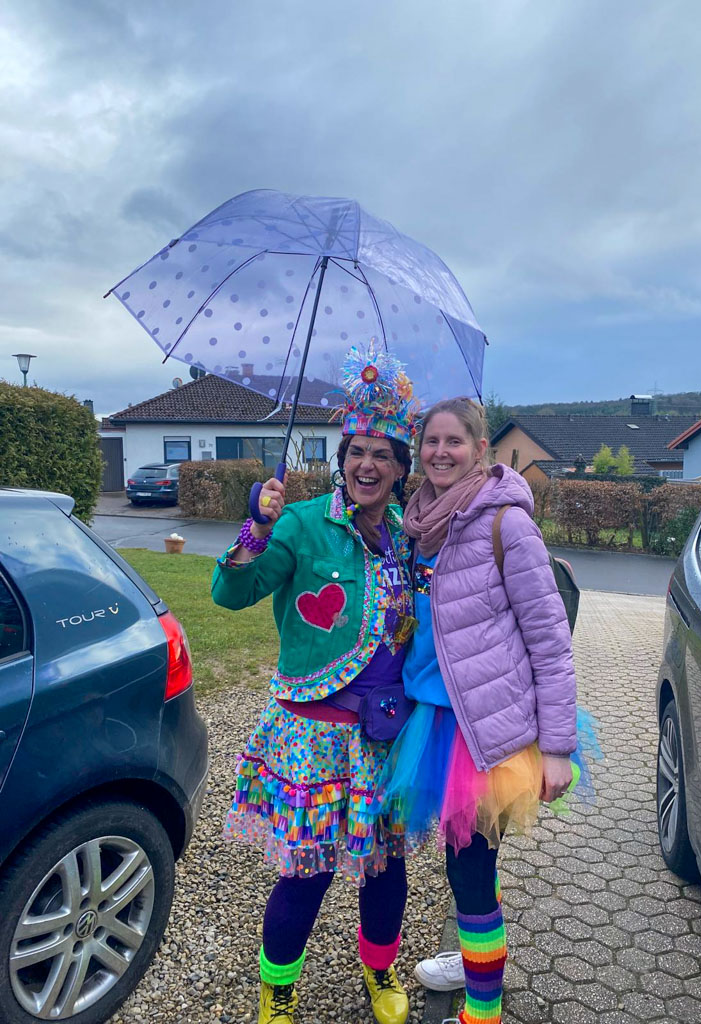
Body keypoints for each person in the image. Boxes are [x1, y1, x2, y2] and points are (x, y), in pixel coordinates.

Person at [212, 344, 420, 1024]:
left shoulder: (407, 536)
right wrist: (257, 527)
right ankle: (277, 990)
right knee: (307, 871)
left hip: (388, 737)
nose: (367, 465)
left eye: (382, 454)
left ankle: (380, 970)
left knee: (386, 867)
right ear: (341, 458)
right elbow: (230, 592)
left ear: (401, 467)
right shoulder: (300, 523)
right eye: (357, 451)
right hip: (315, 736)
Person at [376, 397, 581, 1024]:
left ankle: (482, 1010)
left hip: (485, 733)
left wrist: (557, 748)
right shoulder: (417, 523)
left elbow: (550, 639)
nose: (441, 452)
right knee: (466, 865)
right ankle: (476, 960)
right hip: (431, 720)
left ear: (479, 449)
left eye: (454, 441)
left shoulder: (505, 524)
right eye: (431, 441)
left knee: (468, 872)